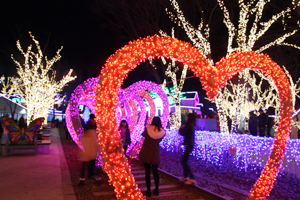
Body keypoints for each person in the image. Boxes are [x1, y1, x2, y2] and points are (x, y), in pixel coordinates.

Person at [139, 117, 165, 197]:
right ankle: (156, 189)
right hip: (155, 153)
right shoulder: (162, 132)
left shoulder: (148, 129)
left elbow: (143, 134)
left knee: (147, 173)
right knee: (155, 172)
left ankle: (148, 190)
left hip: (147, 153)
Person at [79, 114, 100, 183]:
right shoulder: (88, 127)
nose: (94, 120)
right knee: (85, 162)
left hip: (91, 147)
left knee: (91, 161)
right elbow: (90, 138)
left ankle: (89, 174)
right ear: (91, 119)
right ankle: (82, 176)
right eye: (93, 119)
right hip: (88, 147)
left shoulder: (93, 126)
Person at [179, 112, 197, 185]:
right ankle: (185, 177)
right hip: (190, 145)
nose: (186, 118)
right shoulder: (192, 125)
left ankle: (192, 178)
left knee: (184, 161)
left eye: (187, 117)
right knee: (184, 161)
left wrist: (181, 127)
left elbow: (183, 132)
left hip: (188, 145)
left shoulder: (188, 125)